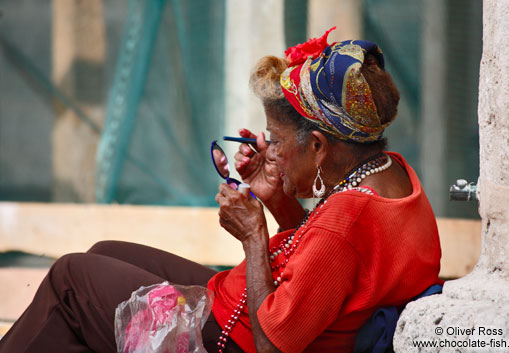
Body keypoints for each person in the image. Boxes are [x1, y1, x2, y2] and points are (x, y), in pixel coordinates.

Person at [0, 28, 442, 353]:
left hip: (233, 341)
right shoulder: (390, 174)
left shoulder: (347, 219)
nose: (272, 154)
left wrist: (253, 238)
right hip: (242, 309)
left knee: (72, 281)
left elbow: (272, 343)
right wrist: (277, 199)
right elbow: (328, 270)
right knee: (103, 251)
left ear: (320, 146)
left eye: (279, 142)